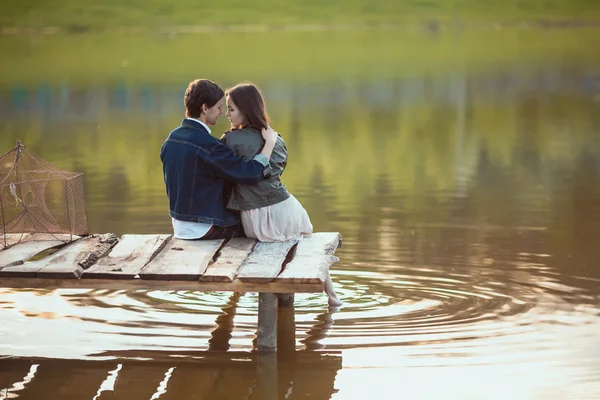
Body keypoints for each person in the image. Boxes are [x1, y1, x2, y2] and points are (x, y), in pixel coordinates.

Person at [222, 83, 342, 307]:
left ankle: (240, 299)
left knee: (274, 253)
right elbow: (277, 169)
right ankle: (332, 298)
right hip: (287, 208)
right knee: (306, 247)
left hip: (256, 214)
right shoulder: (277, 139)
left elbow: (228, 175)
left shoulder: (230, 140)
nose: (227, 114)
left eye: (231, 109)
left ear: (246, 110)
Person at [160, 78, 279, 240]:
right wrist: (270, 144)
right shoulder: (209, 146)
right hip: (203, 227)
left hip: (180, 224)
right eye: (218, 107)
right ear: (204, 108)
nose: (221, 112)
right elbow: (250, 174)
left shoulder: (171, 139)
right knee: (265, 229)